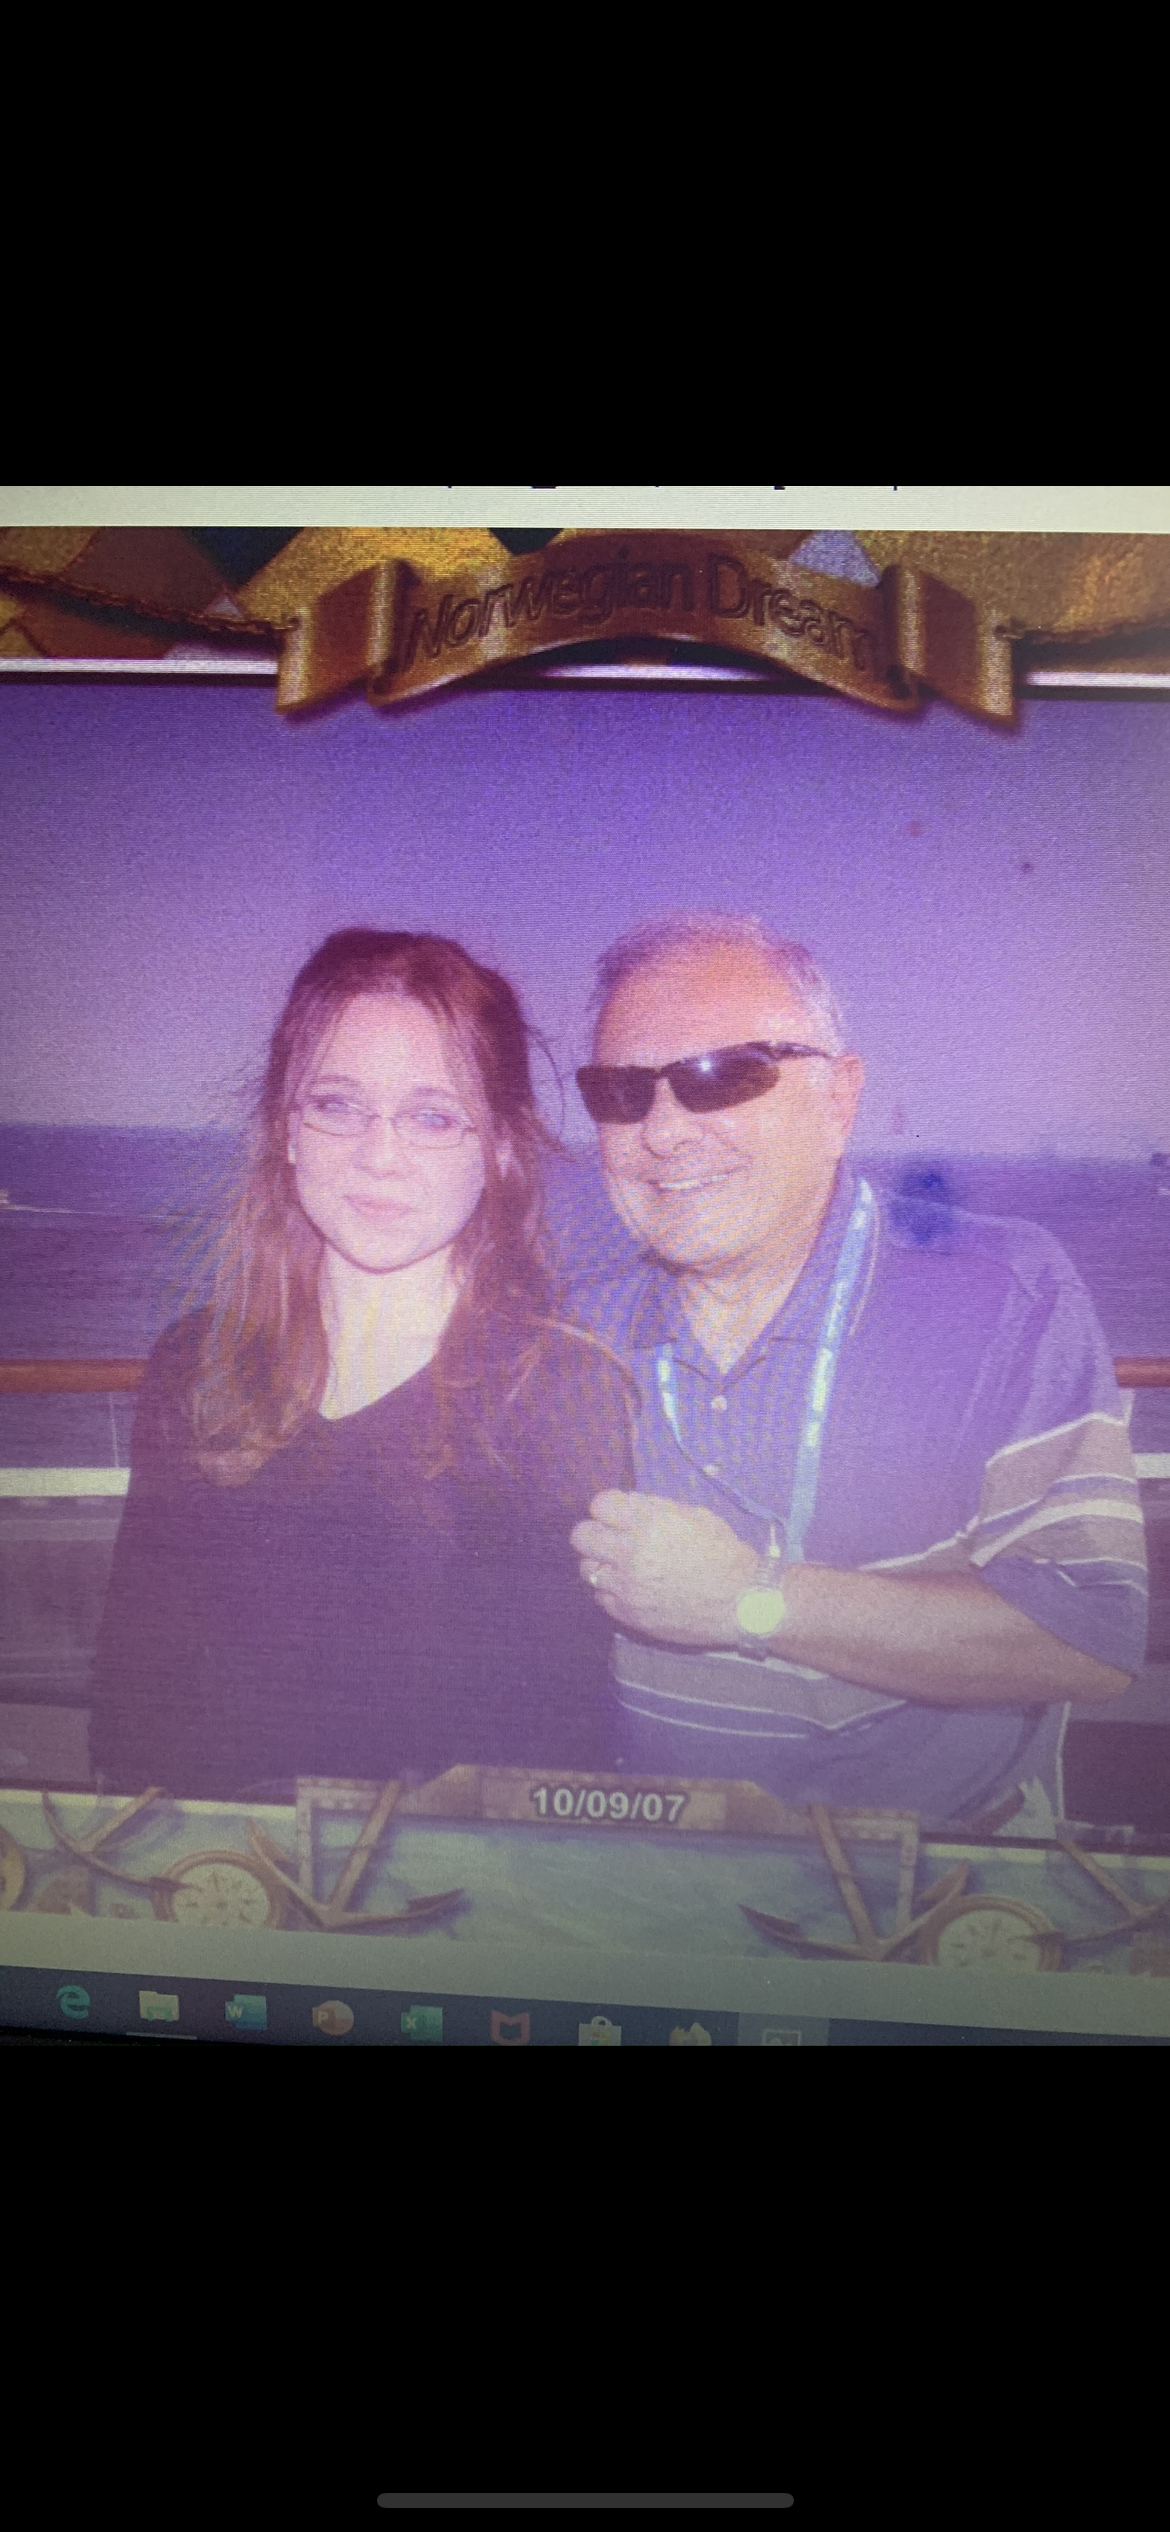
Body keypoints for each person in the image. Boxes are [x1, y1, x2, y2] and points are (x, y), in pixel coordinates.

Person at [567, 913, 1148, 1830]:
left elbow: (1087, 1636)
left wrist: (750, 1600)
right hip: (649, 1877)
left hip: (930, 1877)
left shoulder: (1001, 1293)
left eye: (722, 1076)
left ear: (839, 1099)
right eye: (622, 1091)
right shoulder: (574, 1331)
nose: (665, 1130)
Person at [89, 929, 632, 1799]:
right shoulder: (195, 1366)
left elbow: (541, 1756)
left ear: (496, 1146)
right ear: (287, 1131)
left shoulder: (556, 1395)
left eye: (432, 1116)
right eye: (337, 1104)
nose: (379, 1155)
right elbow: (136, 1704)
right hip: (220, 1866)